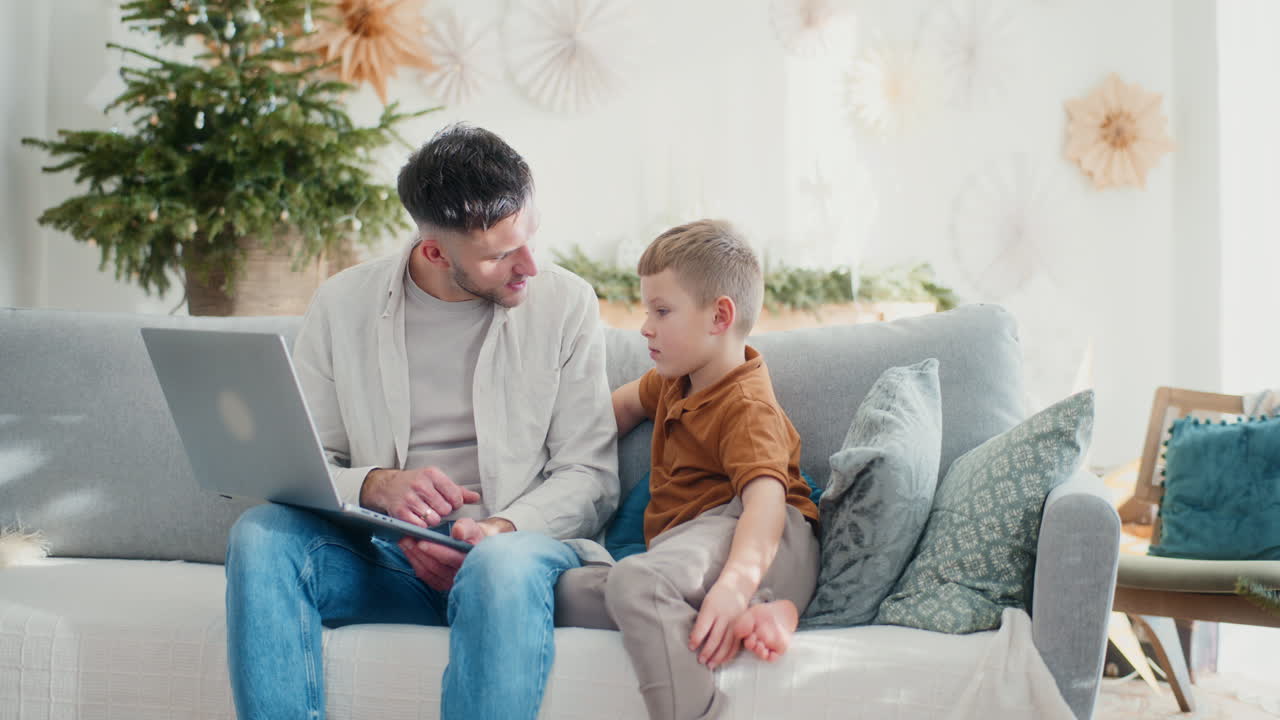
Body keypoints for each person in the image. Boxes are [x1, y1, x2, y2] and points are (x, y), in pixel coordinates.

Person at [223, 123, 620, 720]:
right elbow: (301, 466)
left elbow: (589, 473)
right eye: (498, 255)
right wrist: (376, 484)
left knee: (499, 567)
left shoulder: (566, 305)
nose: (529, 266)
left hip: (514, 554)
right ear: (435, 251)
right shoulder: (342, 304)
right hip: (390, 559)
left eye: (529, 237)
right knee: (260, 536)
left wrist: (499, 530)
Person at [554, 219, 820, 720]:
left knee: (635, 582)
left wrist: (732, 586)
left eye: (661, 310)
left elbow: (765, 506)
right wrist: (548, 459)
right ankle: (767, 612)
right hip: (692, 550)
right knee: (557, 594)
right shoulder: (674, 380)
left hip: (764, 536)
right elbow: (617, 410)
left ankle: (726, 662)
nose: (645, 327)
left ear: (719, 316)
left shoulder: (747, 405)